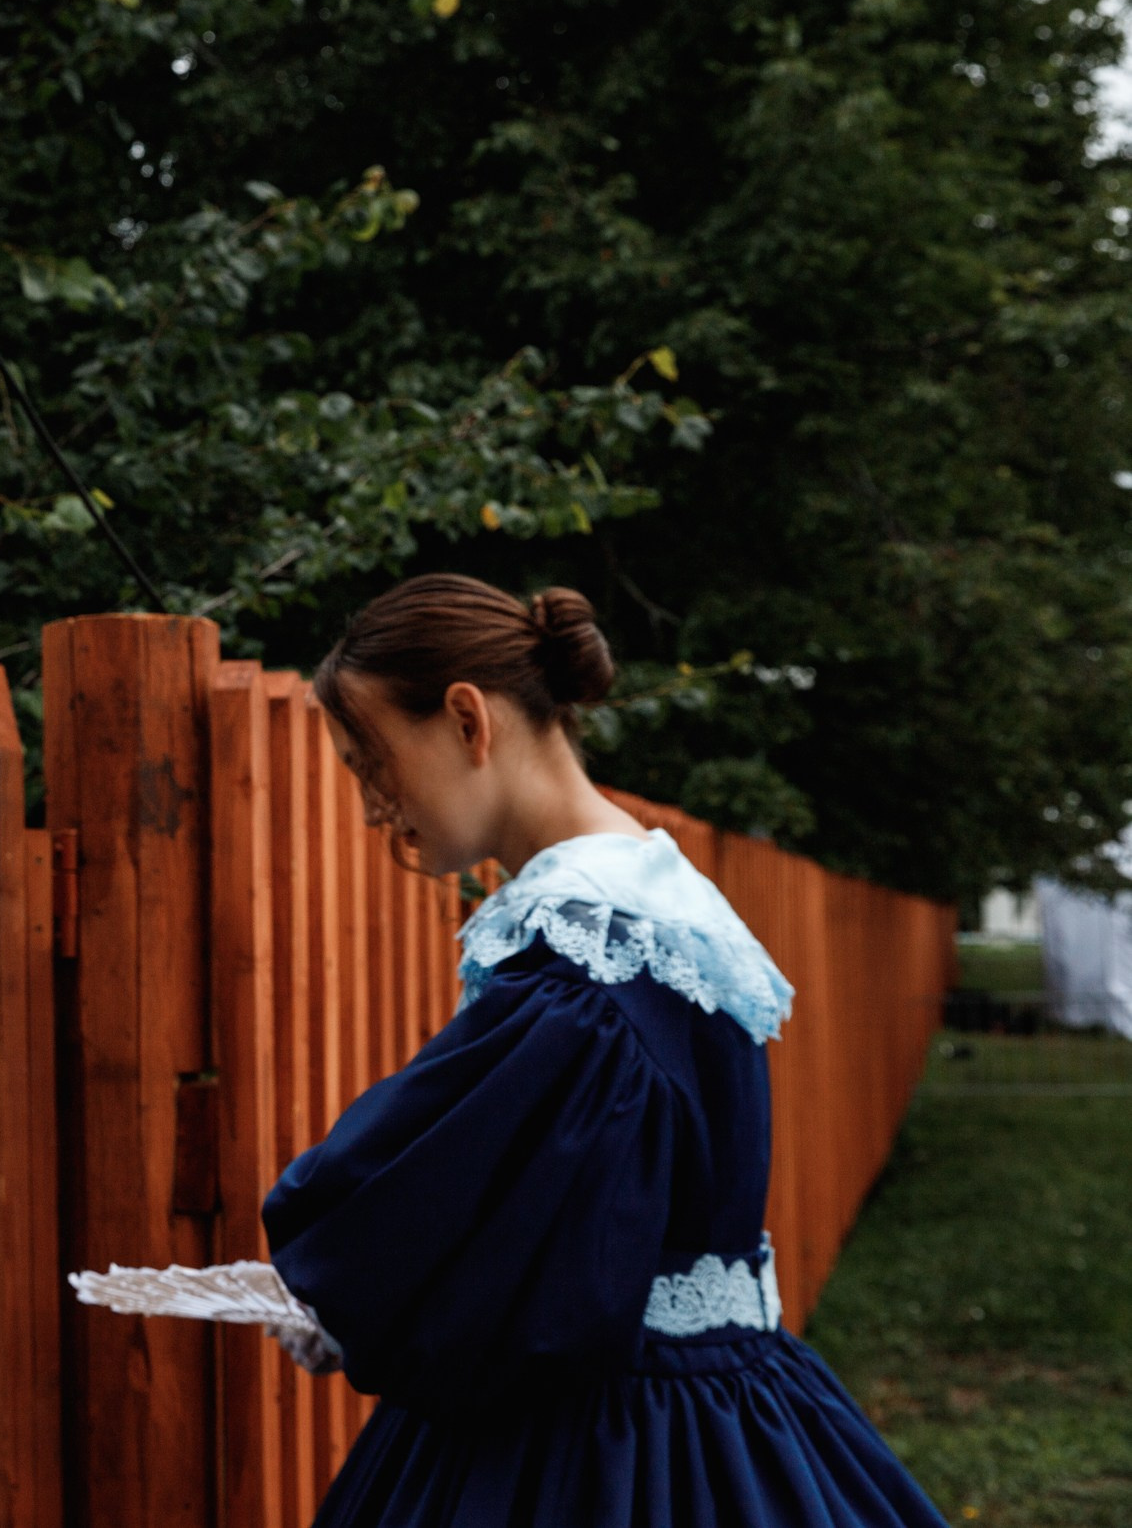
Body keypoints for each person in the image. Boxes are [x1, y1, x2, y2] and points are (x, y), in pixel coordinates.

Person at [262, 574, 945, 1527]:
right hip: (722, 1407)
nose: (375, 806)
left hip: (610, 1447)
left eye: (372, 759)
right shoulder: (655, 905)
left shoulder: (594, 956)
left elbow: (507, 1238)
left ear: (467, 719)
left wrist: (344, 1277)